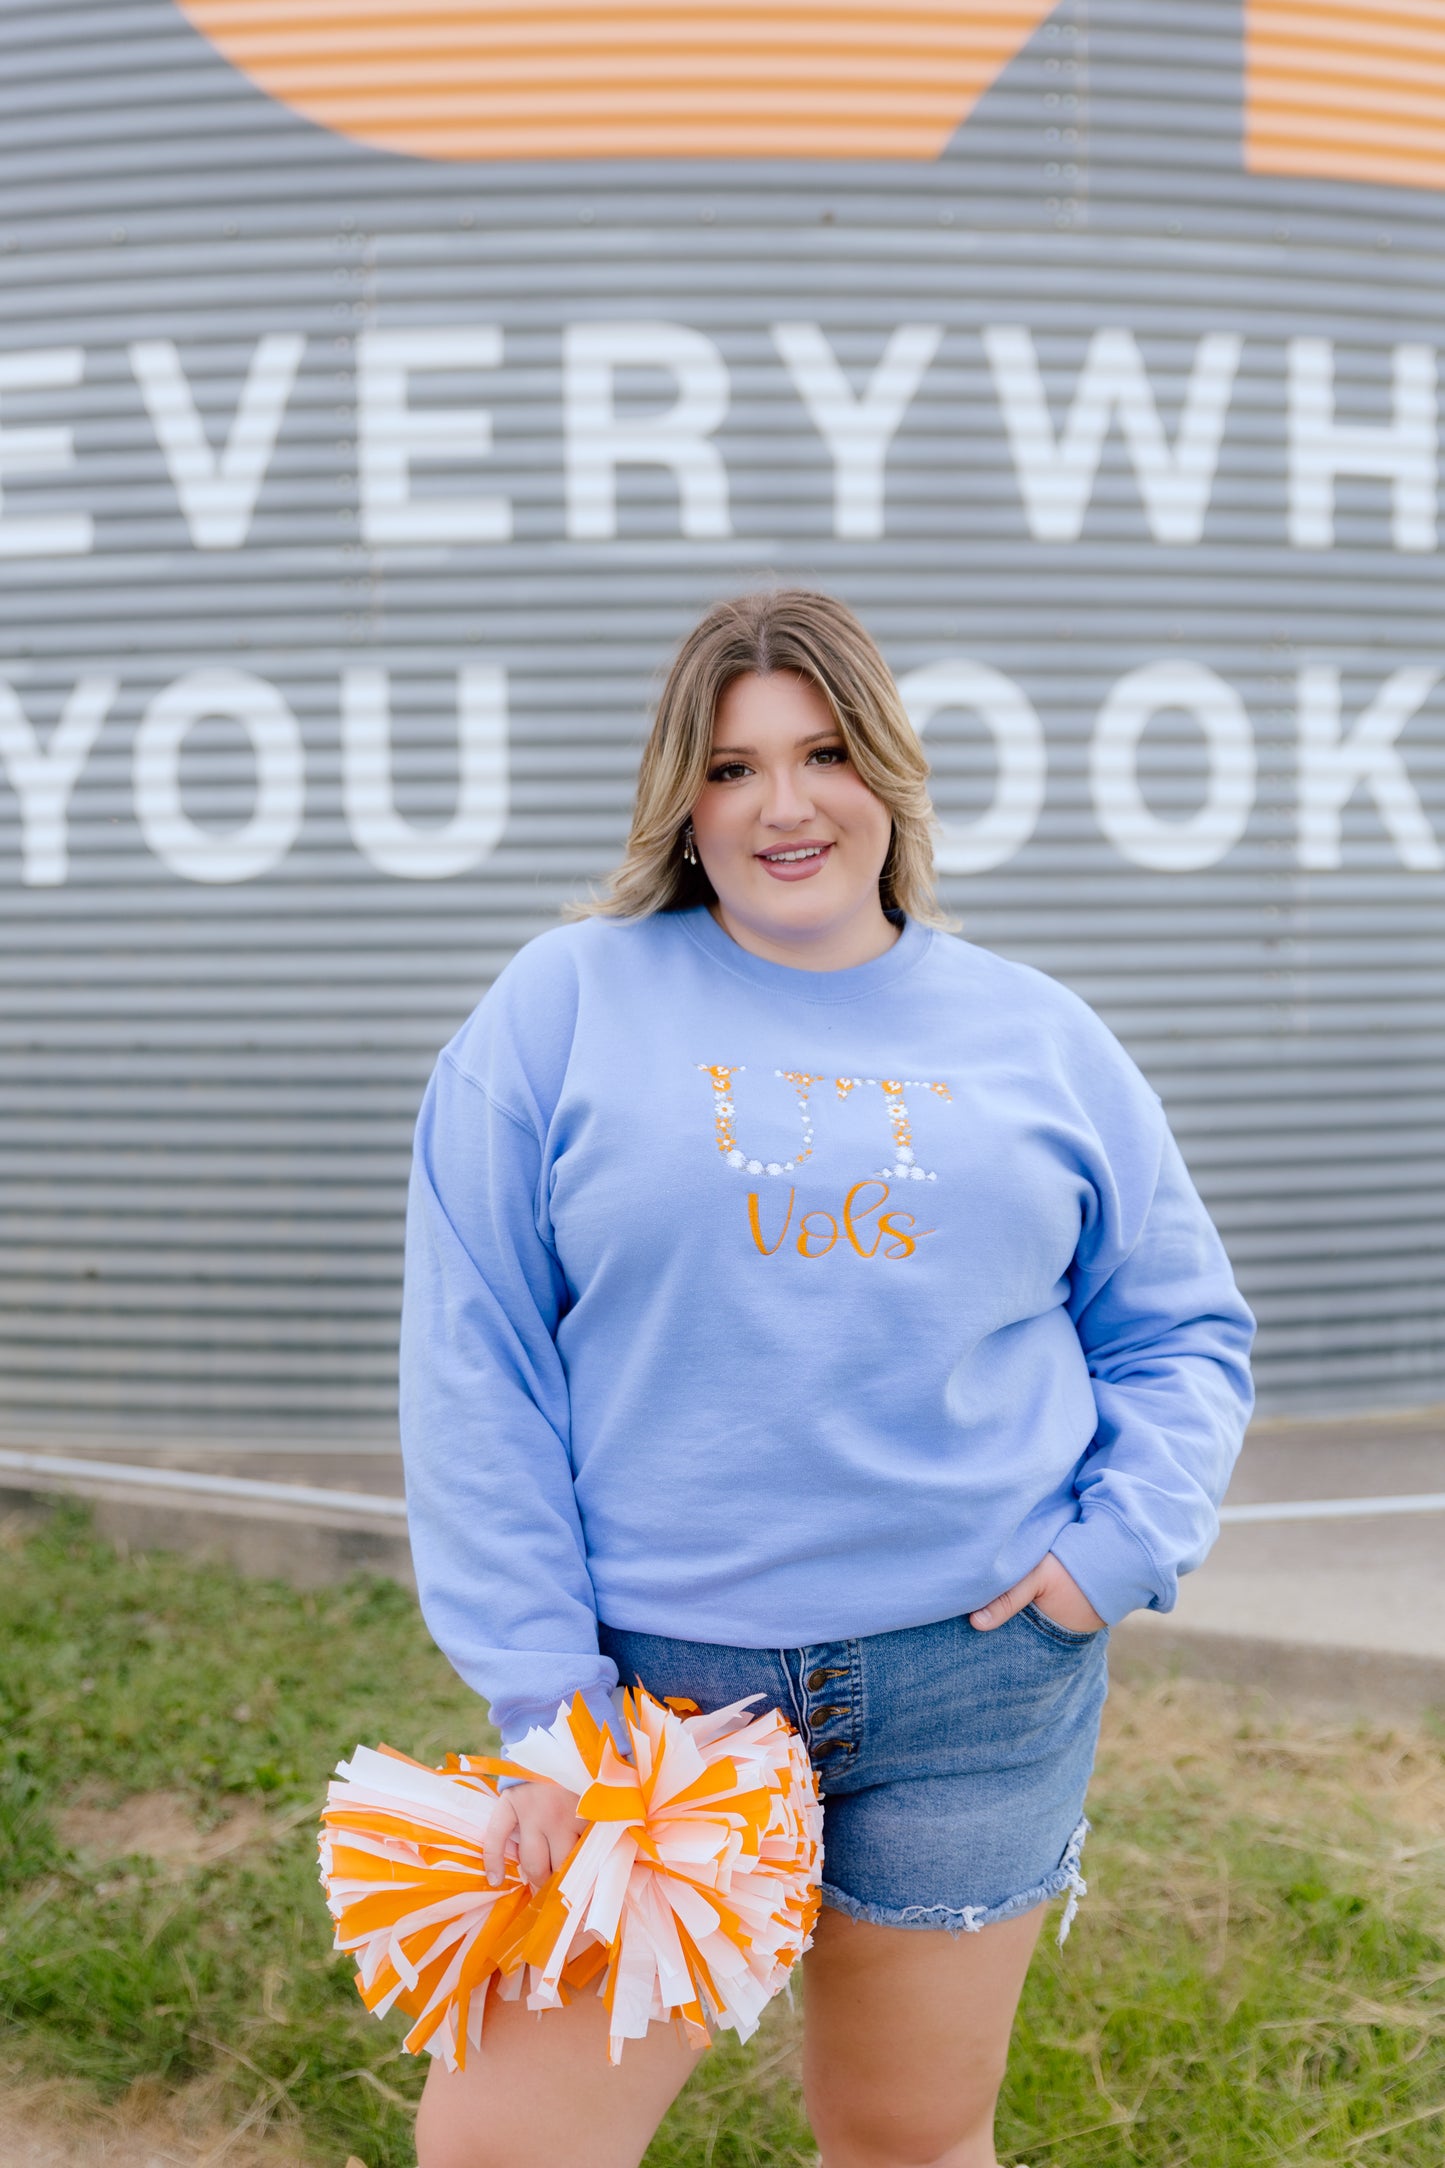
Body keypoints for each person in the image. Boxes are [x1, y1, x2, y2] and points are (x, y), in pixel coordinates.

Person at [399, 589, 1255, 2168]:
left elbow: (1178, 1326)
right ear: (682, 799)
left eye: (822, 754)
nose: (781, 806)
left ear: (891, 775)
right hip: (658, 1702)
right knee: (505, 2149)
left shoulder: (1039, 1036)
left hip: (973, 1686)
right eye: (730, 769)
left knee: (903, 2142)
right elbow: (479, 1367)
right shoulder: (563, 1007)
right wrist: (546, 1710)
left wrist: (1111, 1553)